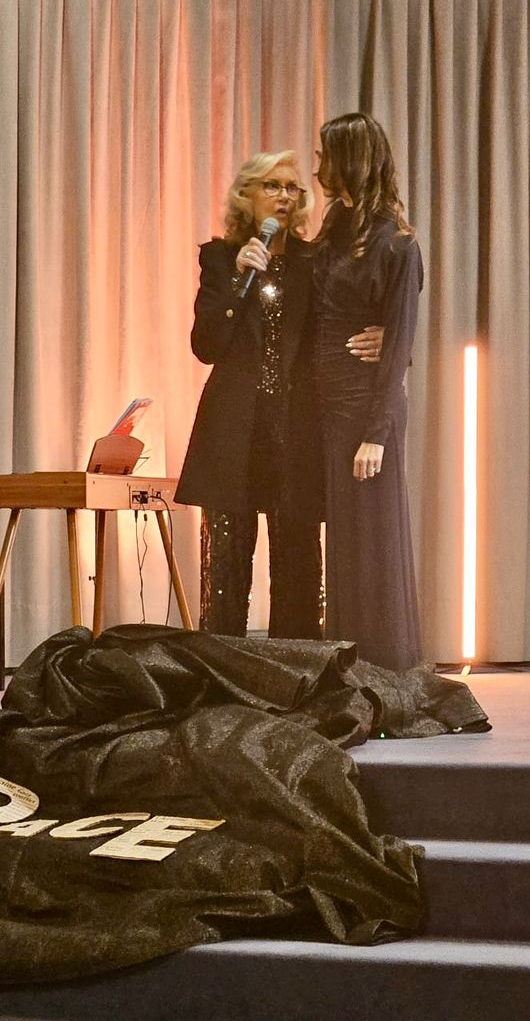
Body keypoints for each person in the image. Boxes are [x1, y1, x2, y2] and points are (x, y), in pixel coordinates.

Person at [176, 151, 382, 639]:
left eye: (293, 188)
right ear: (246, 196)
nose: (285, 196)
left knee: (299, 568)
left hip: (298, 432)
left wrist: (387, 339)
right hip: (234, 435)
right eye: (272, 186)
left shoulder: (316, 261)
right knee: (225, 572)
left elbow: (345, 325)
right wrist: (237, 283)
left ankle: (298, 671)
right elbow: (206, 347)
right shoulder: (220, 259)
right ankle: (224, 671)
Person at [313, 113, 424, 672]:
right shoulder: (334, 229)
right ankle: (346, 663)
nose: (317, 167)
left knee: (374, 544)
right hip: (329, 410)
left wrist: (376, 435)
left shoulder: (397, 246)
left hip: (366, 412)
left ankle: (386, 669)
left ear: (350, 162)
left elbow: (399, 343)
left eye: (325, 156)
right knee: (345, 549)